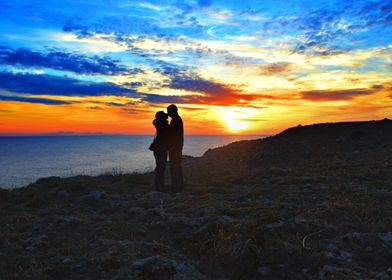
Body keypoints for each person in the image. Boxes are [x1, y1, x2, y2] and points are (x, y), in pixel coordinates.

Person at [149, 111, 170, 192]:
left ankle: (158, 186)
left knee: (159, 167)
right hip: (162, 149)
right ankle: (161, 187)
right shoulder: (164, 126)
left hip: (157, 149)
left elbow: (154, 121)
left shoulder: (158, 124)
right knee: (161, 168)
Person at [167, 104, 184, 193]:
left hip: (175, 147)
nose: (168, 114)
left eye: (169, 112)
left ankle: (176, 188)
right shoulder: (178, 120)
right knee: (177, 166)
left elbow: (170, 133)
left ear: (172, 112)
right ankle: (179, 187)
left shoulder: (175, 121)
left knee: (174, 167)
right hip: (177, 146)